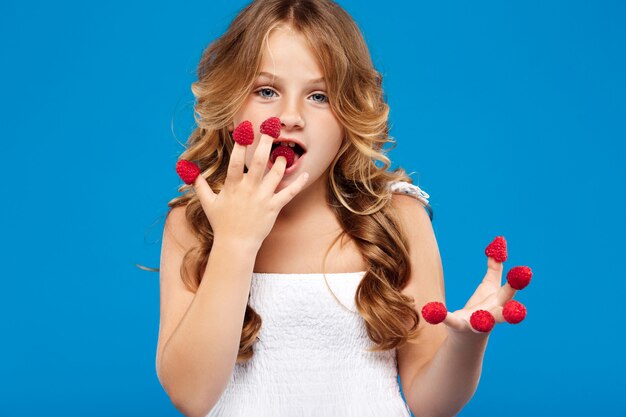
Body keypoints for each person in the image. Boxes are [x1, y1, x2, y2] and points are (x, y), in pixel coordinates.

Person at [155, 1, 529, 416]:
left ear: (350, 115)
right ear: (230, 106)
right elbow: (190, 395)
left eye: (319, 96)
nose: (290, 116)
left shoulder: (397, 218)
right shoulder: (192, 225)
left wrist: (466, 342)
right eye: (266, 91)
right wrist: (235, 240)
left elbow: (430, 403)